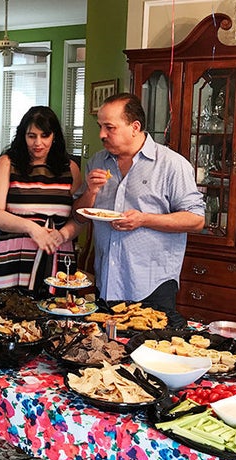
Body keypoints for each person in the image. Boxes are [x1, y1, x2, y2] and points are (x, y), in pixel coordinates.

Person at [73, 92, 205, 324]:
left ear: (135, 127)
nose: (101, 134)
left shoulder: (171, 165)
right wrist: (90, 192)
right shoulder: (96, 162)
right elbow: (80, 216)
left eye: (109, 127)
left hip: (151, 285)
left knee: (150, 355)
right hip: (106, 281)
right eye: (100, 126)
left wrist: (144, 219)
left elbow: (196, 219)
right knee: (105, 355)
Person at [0, 106, 83, 295]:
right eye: (31, 136)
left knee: (55, 319)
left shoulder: (71, 169)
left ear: (55, 136)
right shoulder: (7, 163)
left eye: (45, 135)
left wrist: (64, 234)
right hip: (9, 257)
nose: (38, 143)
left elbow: (78, 218)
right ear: (23, 136)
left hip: (57, 255)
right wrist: (32, 228)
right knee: (1, 320)